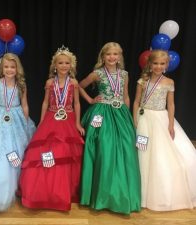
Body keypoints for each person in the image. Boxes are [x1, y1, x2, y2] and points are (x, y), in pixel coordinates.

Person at [19, 46, 85, 211]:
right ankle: (43, 191)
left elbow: (76, 103)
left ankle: (62, 192)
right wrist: (41, 122)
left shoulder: (74, 83)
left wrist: (77, 123)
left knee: (64, 152)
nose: (63, 66)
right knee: (45, 152)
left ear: (71, 65)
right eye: (60, 63)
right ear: (55, 65)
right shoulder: (50, 83)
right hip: (51, 117)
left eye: (66, 63)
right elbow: (45, 103)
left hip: (68, 119)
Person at [79, 42, 141, 214]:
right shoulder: (97, 74)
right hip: (102, 112)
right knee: (104, 148)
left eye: (116, 54)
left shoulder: (124, 74)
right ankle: (102, 193)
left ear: (120, 56)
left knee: (125, 149)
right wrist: (91, 100)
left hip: (120, 113)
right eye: (109, 54)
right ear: (103, 56)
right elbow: (78, 85)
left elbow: (126, 96)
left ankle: (121, 192)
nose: (112, 57)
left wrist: (127, 116)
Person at [133, 49, 196, 211]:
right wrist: (135, 120)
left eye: (162, 64)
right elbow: (136, 102)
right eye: (155, 63)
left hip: (161, 119)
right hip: (144, 119)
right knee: (142, 152)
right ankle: (139, 192)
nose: (158, 66)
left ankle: (159, 191)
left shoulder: (169, 82)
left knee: (160, 154)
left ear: (167, 65)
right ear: (149, 64)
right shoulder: (142, 81)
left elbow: (171, 104)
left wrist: (170, 124)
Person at [0, 53, 36, 211]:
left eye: (13, 67)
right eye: (6, 67)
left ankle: (19, 186)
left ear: (17, 68)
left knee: (19, 148)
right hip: (1, 117)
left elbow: (24, 104)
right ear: (2, 68)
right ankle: (0, 187)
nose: (9, 70)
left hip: (17, 117)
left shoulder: (21, 85)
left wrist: (25, 120)